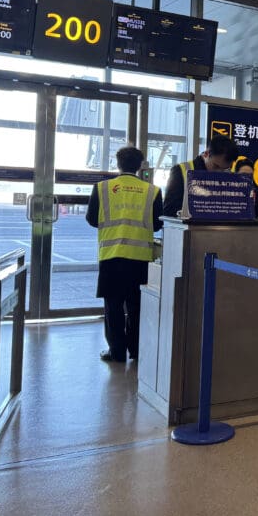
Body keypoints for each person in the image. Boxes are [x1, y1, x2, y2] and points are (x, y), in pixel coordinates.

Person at [87, 146, 163, 363]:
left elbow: (92, 219)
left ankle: (117, 351)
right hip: (140, 257)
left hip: (111, 255)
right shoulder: (153, 191)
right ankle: (136, 350)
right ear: (140, 166)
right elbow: (158, 223)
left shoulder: (102, 188)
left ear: (118, 163)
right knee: (137, 306)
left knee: (113, 306)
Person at [162, 135, 239, 217]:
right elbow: (169, 211)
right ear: (206, 154)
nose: (219, 172)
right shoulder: (180, 171)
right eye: (216, 166)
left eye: (225, 169)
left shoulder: (229, 176)